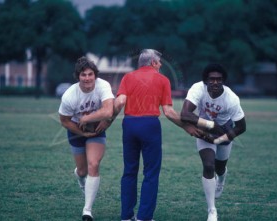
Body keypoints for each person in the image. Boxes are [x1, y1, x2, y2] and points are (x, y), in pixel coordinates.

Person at [112, 49, 199, 221]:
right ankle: (143, 217)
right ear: (153, 62)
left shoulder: (127, 77)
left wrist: (107, 117)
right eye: (159, 62)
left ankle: (126, 216)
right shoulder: (163, 80)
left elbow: (120, 101)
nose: (160, 65)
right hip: (150, 125)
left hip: (129, 124)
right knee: (150, 173)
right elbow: (169, 112)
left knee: (129, 171)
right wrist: (186, 126)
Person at [180, 63, 246, 221]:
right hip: (205, 129)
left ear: (223, 81)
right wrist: (211, 126)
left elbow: (241, 127)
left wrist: (220, 137)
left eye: (219, 79)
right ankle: (212, 210)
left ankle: (221, 179)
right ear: (205, 81)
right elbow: (185, 114)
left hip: (225, 131)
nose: (215, 82)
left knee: (220, 167)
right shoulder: (198, 88)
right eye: (212, 79)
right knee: (208, 166)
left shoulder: (231, 99)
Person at [58, 56, 114, 221]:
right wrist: (82, 132)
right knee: (82, 171)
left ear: (95, 75)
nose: (87, 78)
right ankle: (80, 176)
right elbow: (64, 121)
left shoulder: (103, 85)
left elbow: (109, 110)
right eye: (83, 75)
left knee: (93, 165)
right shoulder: (70, 95)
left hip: (97, 129)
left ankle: (87, 210)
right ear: (78, 77)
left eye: (90, 74)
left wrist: (88, 120)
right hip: (76, 130)